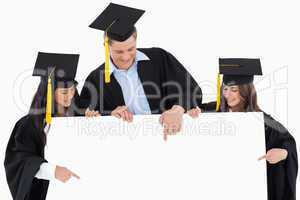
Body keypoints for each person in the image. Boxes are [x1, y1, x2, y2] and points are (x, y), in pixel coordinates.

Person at [78, 3, 202, 140]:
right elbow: (85, 115)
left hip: (168, 136)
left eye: (130, 49)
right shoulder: (96, 78)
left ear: (136, 41)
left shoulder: (159, 58)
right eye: (119, 51)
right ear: (106, 46)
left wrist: (177, 109)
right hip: (126, 143)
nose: (125, 57)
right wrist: (110, 114)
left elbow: (192, 90)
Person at [188, 58, 298, 200]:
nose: (227, 94)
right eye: (225, 89)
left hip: (246, 189)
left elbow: (289, 144)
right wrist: (191, 114)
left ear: (246, 91)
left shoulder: (262, 121)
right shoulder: (210, 111)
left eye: (234, 89)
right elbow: (188, 124)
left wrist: (283, 153)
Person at [4, 52, 81, 200]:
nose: (70, 96)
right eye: (64, 92)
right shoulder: (28, 125)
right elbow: (19, 161)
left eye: (73, 90)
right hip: (46, 192)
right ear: (49, 92)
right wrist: (52, 171)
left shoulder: (76, 118)